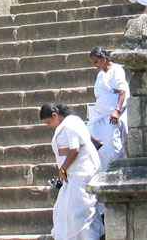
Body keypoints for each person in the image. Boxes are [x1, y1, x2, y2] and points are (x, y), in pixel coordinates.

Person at [40, 103, 103, 240]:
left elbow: (75, 149)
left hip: (81, 174)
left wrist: (62, 169)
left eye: (48, 122)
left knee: (80, 212)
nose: (48, 125)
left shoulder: (70, 124)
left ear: (55, 115)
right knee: (64, 210)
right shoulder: (70, 124)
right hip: (73, 174)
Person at [87, 47, 128, 169]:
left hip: (112, 115)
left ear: (104, 58)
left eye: (96, 62)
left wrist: (117, 110)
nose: (96, 65)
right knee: (89, 132)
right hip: (100, 113)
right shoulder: (101, 74)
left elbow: (122, 91)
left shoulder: (116, 70)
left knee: (112, 143)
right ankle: (101, 168)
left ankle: (115, 167)